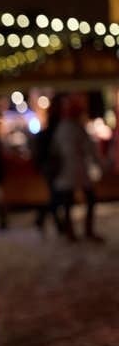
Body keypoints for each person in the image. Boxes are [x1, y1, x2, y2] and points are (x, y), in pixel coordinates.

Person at [49, 92, 104, 242]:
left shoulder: (61, 127)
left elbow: (55, 149)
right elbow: (89, 149)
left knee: (68, 203)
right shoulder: (78, 128)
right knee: (89, 199)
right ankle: (87, 230)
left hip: (66, 170)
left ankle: (70, 233)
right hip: (77, 169)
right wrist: (99, 164)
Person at [32, 94, 64, 236]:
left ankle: (46, 219)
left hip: (48, 165)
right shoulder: (56, 128)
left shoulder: (47, 131)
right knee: (55, 195)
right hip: (52, 165)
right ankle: (47, 219)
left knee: (54, 194)